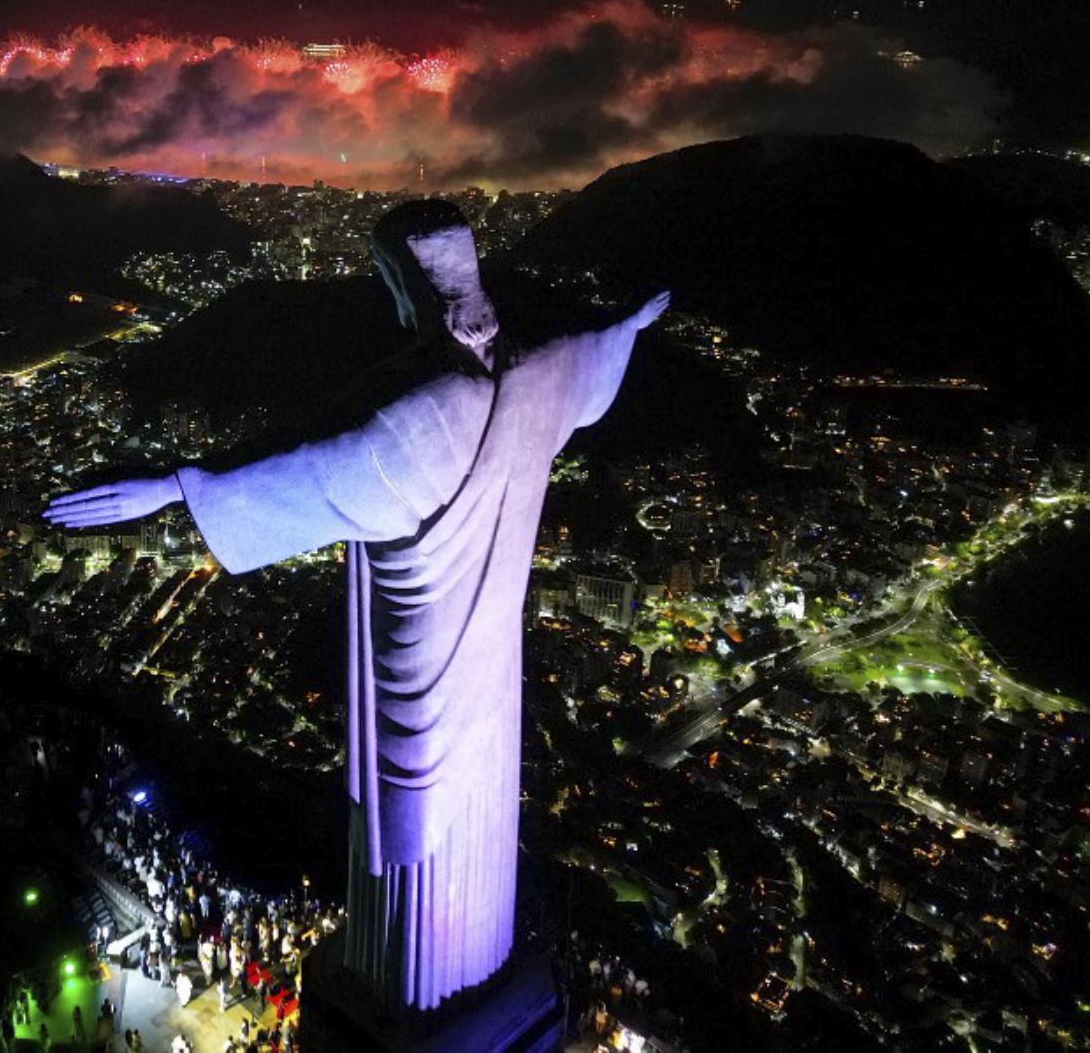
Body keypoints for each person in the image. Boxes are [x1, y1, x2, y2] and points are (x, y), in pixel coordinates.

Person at [47, 201, 666, 1010]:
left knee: (409, 857)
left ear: (407, 284)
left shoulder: (416, 415)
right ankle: (460, 979)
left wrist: (174, 486)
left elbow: (305, 463)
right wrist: (631, 326)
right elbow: (595, 351)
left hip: (417, 679)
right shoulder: (541, 372)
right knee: (472, 833)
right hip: (491, 677)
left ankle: (414, 994)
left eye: (385, 278)